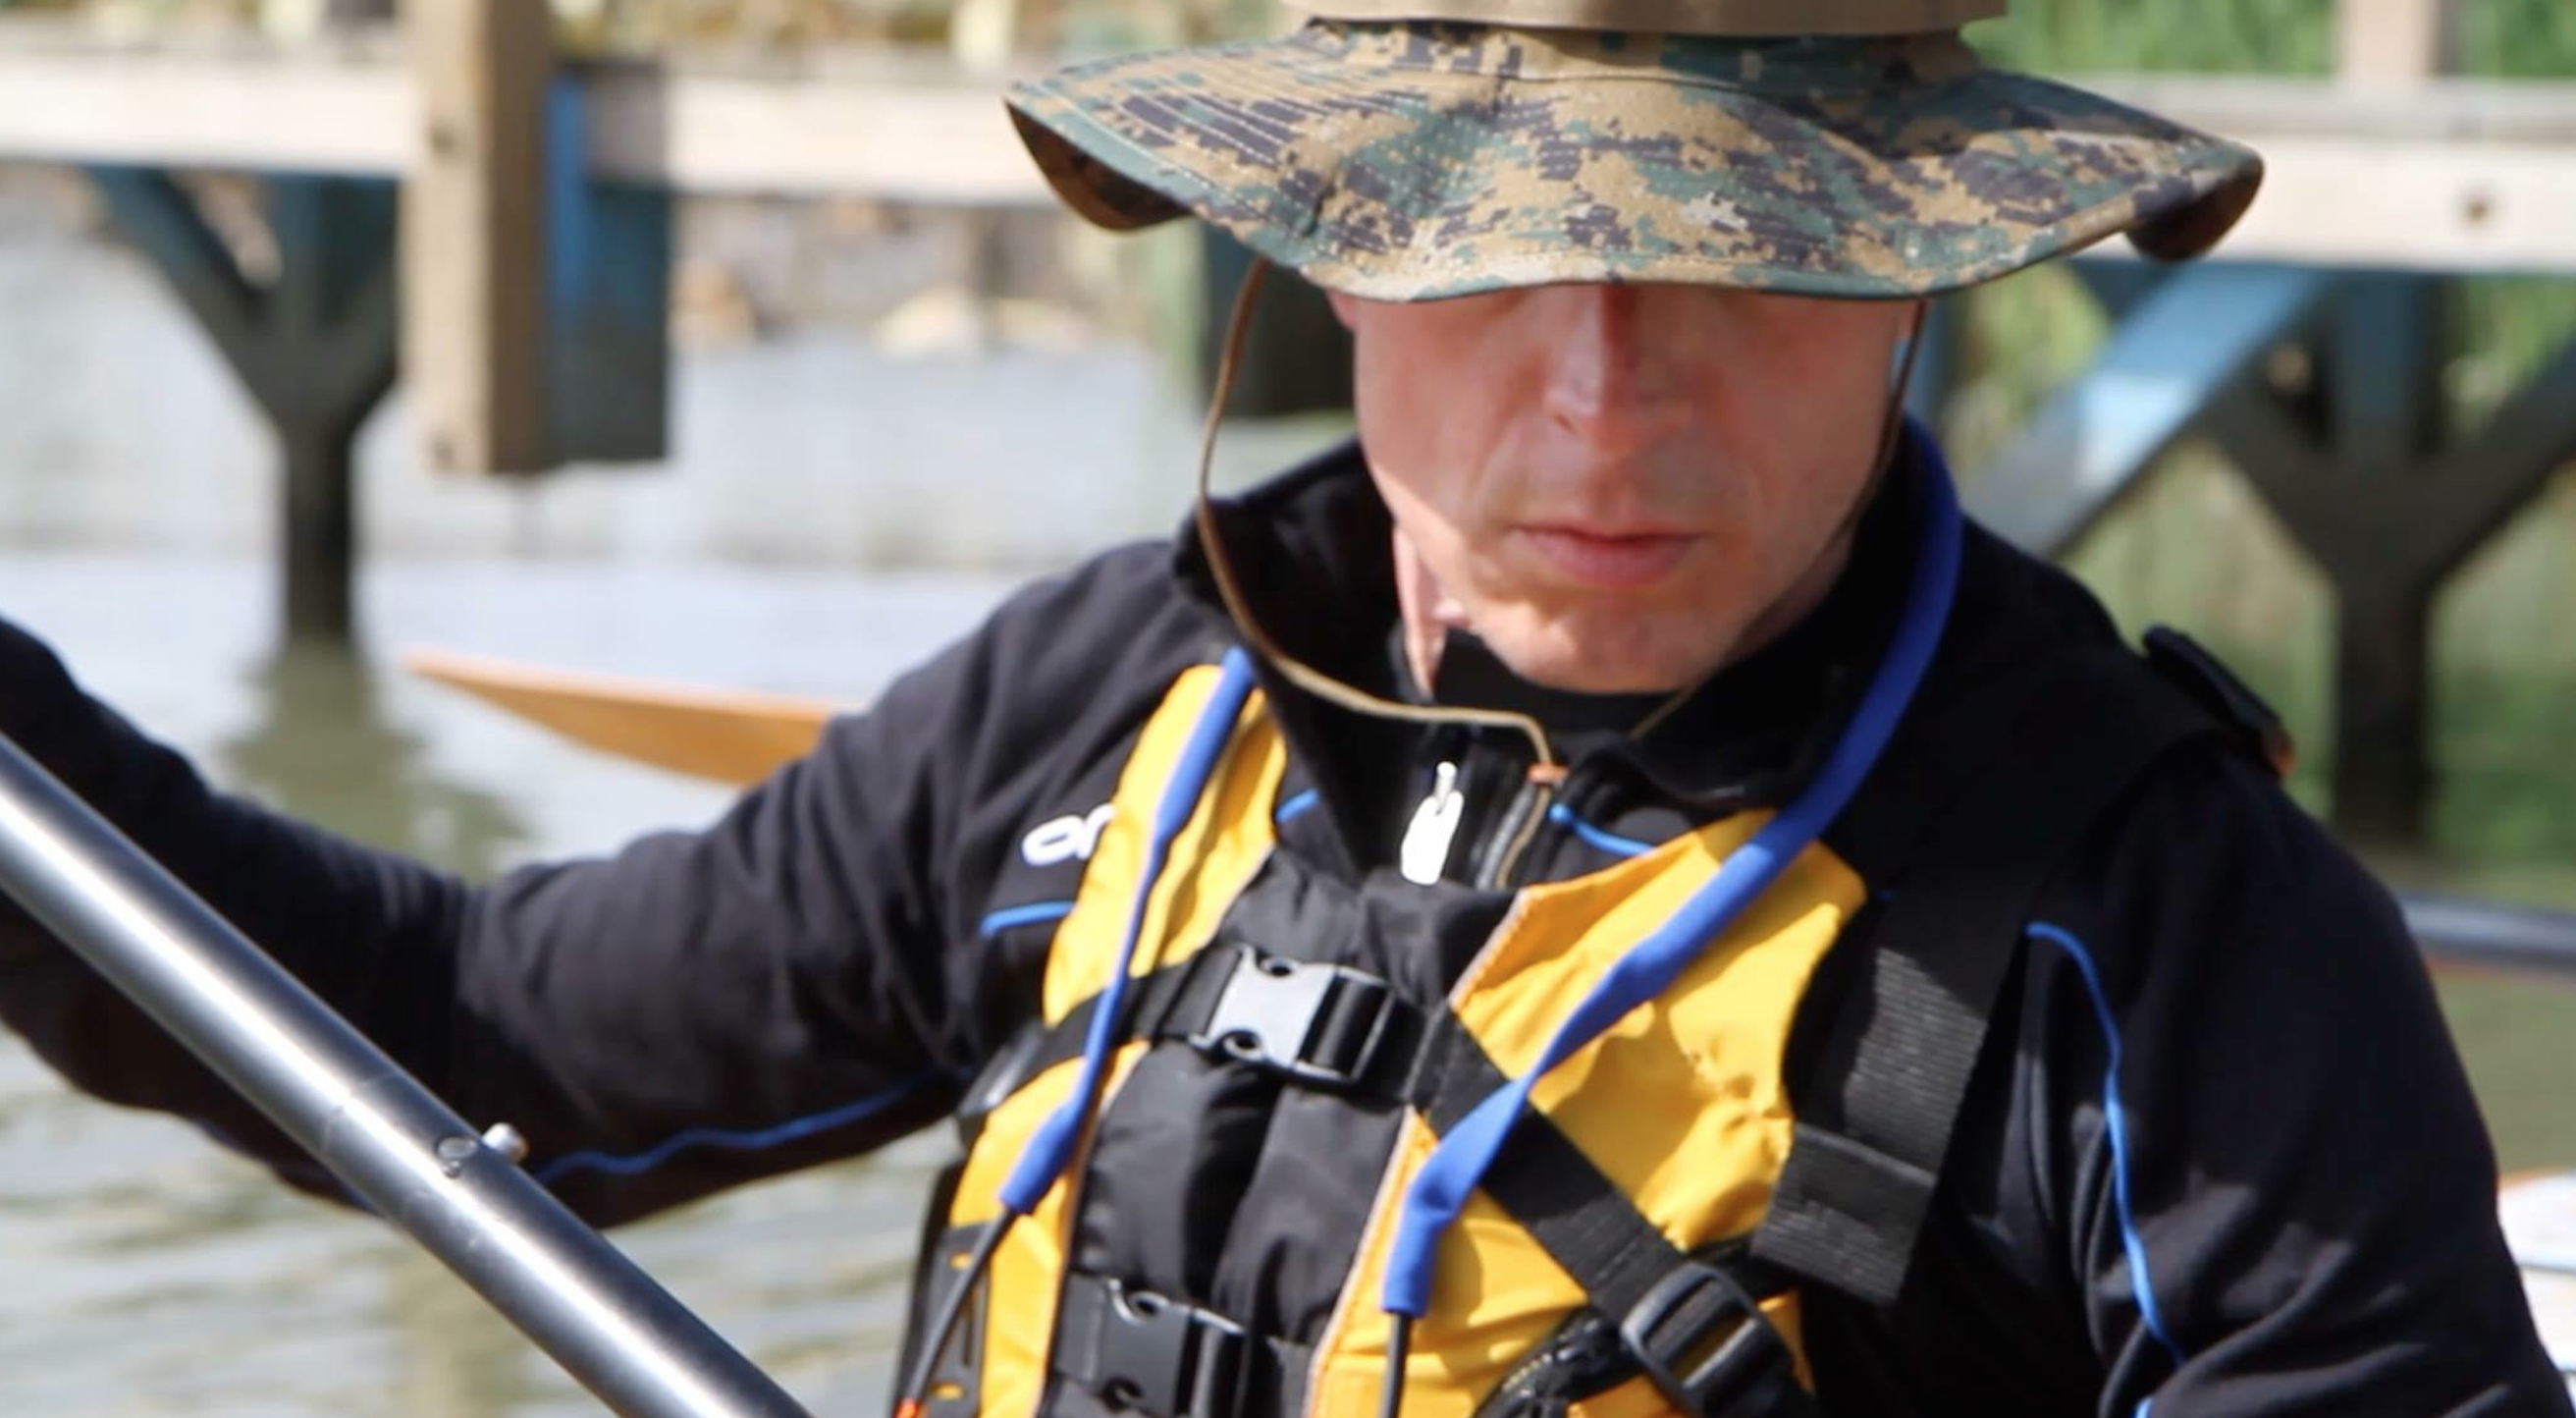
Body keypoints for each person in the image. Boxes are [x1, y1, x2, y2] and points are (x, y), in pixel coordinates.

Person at [0, 0, 2565, 1413]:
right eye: (1489, 270)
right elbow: (483, 1042)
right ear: (1329, 258)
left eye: (1740, 274)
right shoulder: (1109, 697)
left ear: (1918, 282)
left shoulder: (2178, 932)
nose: (1601, 408)